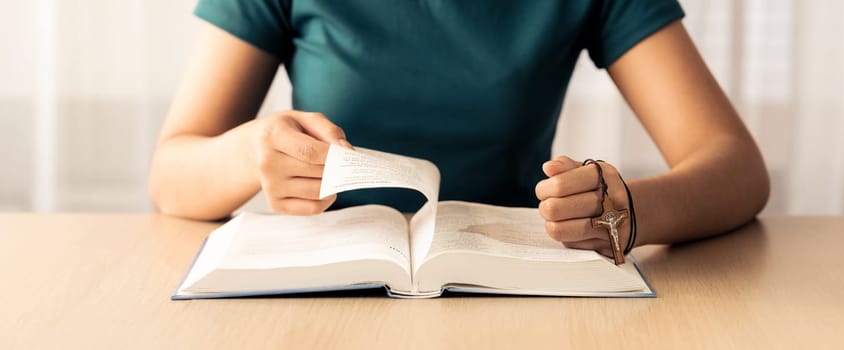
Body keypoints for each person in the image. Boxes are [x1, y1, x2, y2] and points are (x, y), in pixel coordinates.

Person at [149, 0, 770, 258]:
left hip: (509, 286)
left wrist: (627, 210)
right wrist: (255, 150)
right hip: (323, 292)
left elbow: (735, 165)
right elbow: (171, 175)